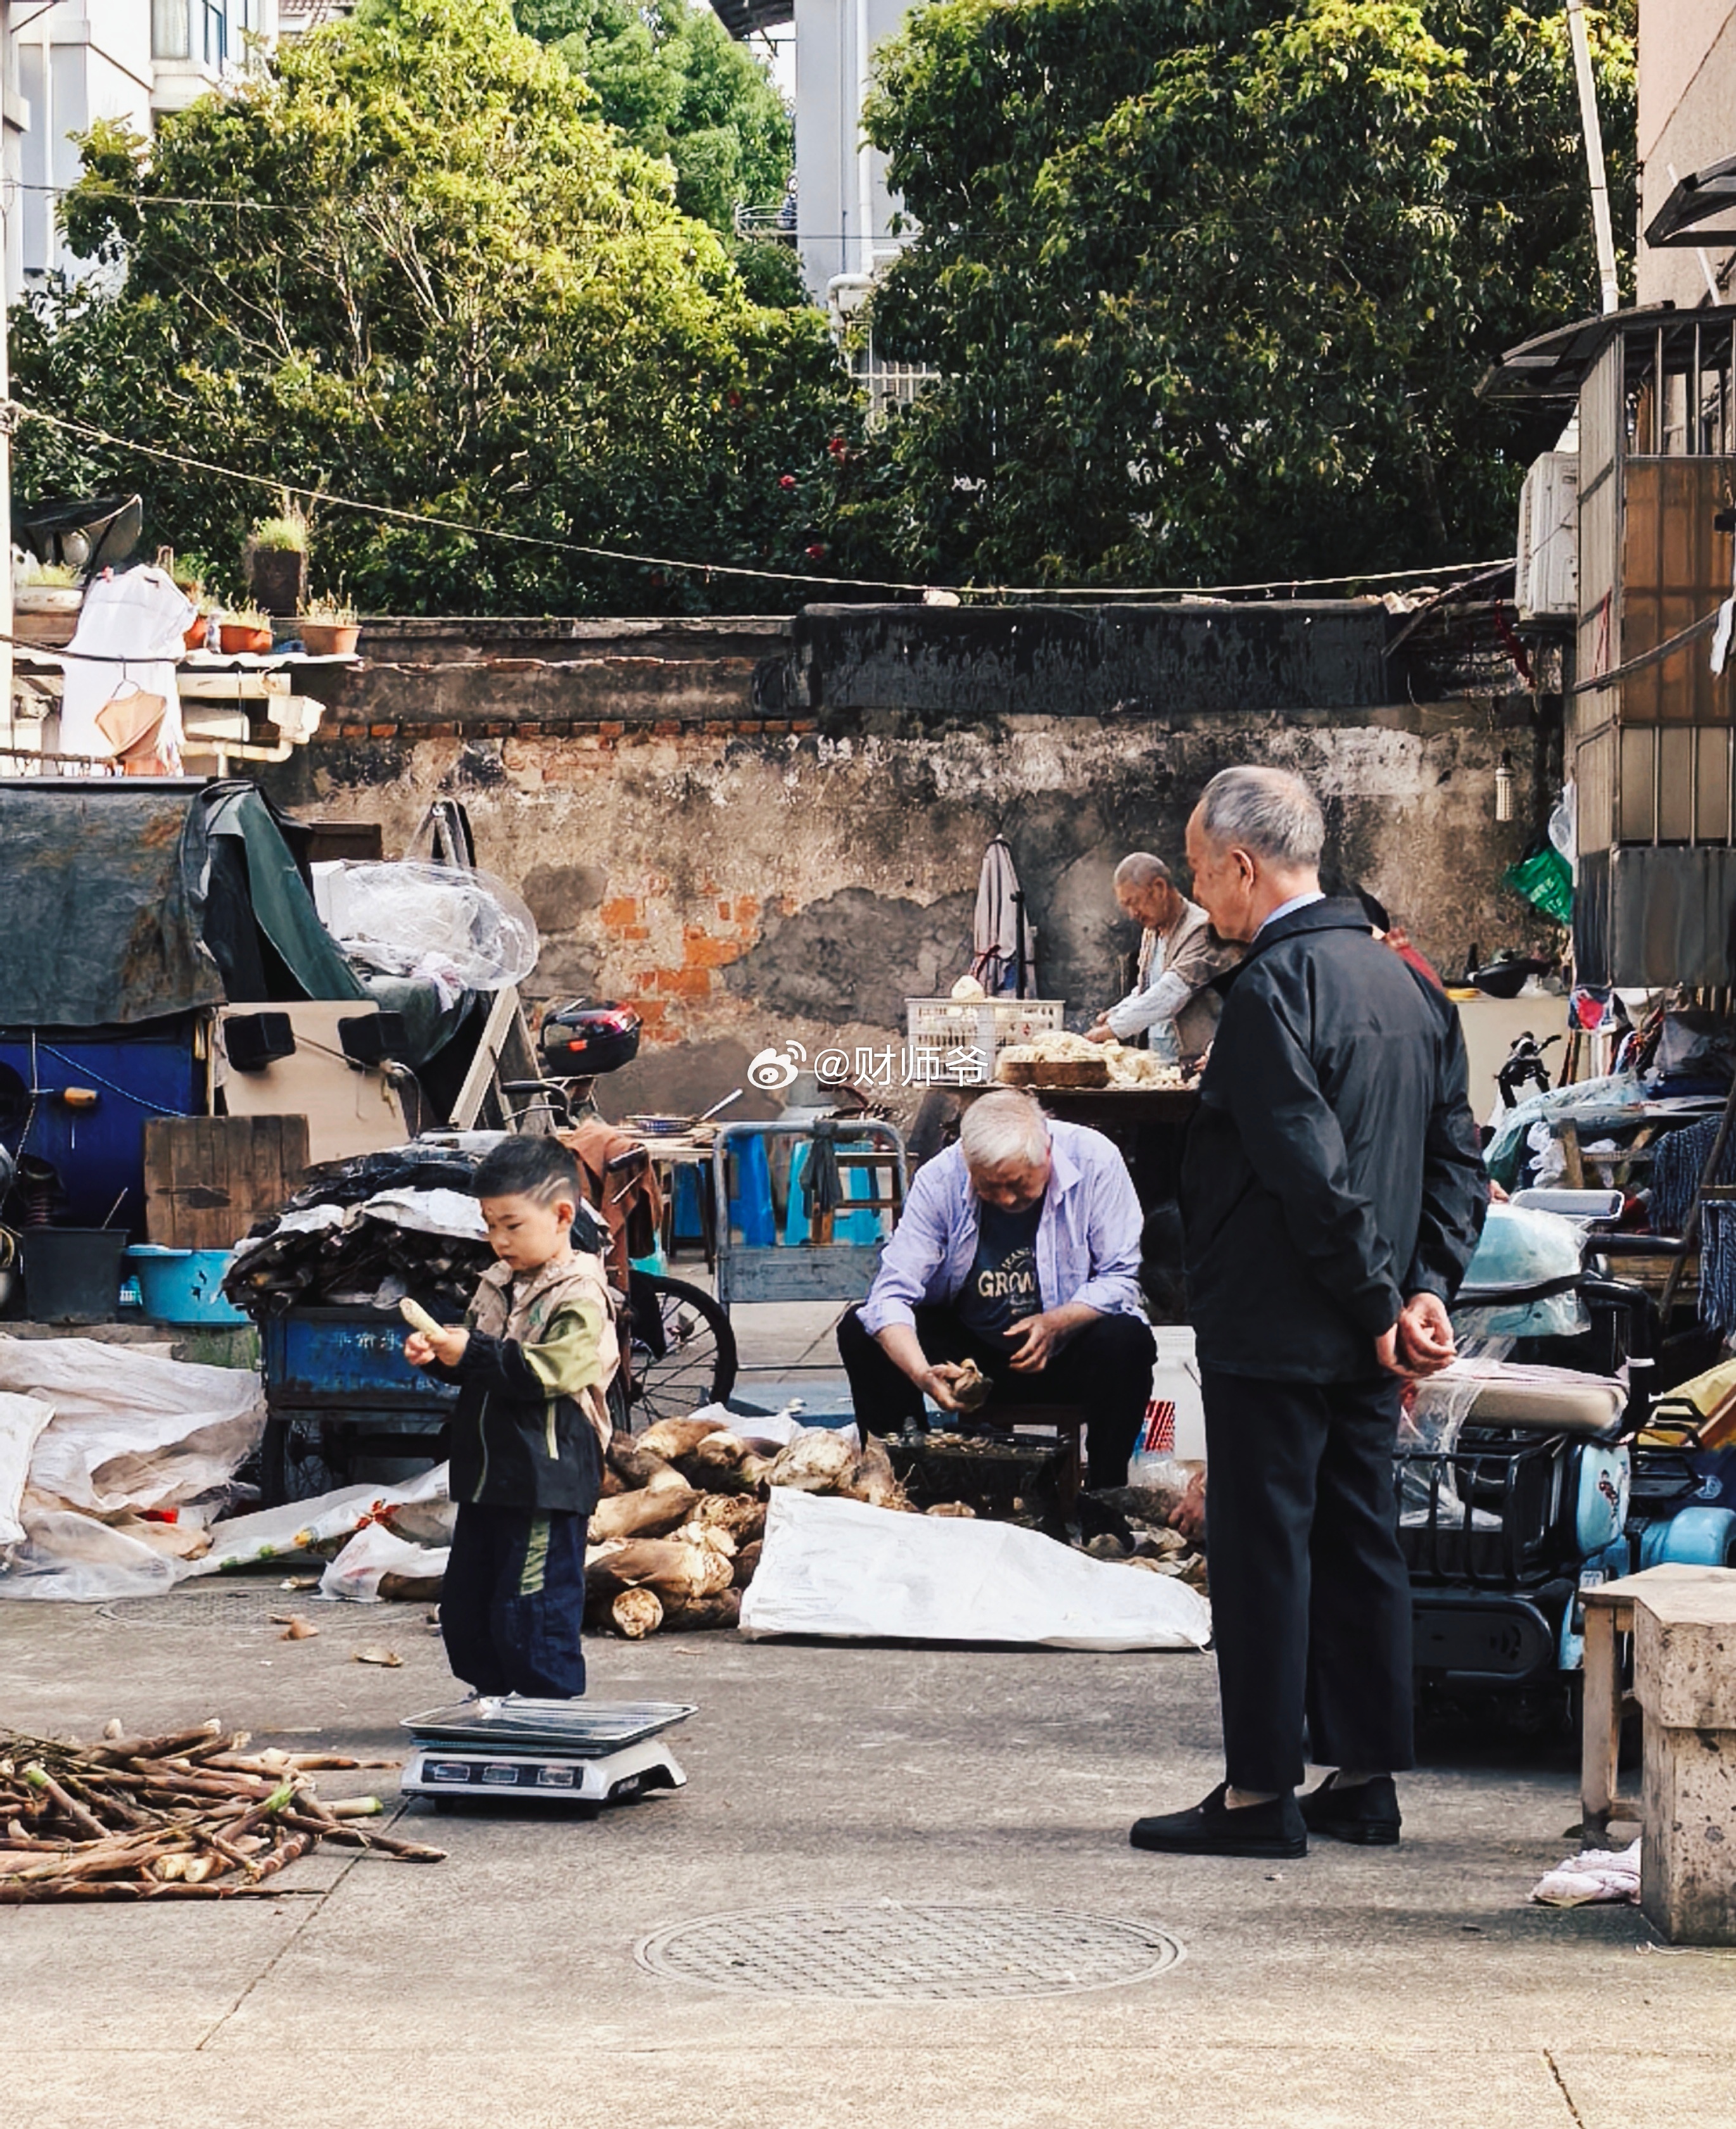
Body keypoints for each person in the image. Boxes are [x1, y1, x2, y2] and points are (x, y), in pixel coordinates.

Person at [1129, 766, 1485, 1861]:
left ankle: (1258, 1796)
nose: (1201, 897)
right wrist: (1423, 1291)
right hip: (1372, 1324)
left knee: (1265, 1551)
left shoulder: (1274, 989)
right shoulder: (1410, 983)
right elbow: (1456, 1160)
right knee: (1359, 1537)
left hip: (1281, 1321)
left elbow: (1304, 1165)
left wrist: (1384, 1298)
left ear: (1241, 866)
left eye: (1201, 874)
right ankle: (1364, 1781)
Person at [836, 1089, 1155, 1488]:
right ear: (968, 1164)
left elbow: (1123, 1276)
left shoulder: (1095, 1159)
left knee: (1127, 1340)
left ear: (1046, 1153)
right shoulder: (941, 1178)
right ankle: (910, 1483)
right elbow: (891, 1294)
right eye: (988, 1186)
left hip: (1063, 1351)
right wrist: (922, 1374)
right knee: (861, 1330)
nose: (1005, 1198)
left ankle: (1104, 1494)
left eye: (1018, 1184)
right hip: (971, 1354)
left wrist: (1058, 1323)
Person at [405, 1135, 619, 1699]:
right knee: (468, 1604)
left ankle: (547, 1709)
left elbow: (554, 1371)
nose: (499, 1240)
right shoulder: (499, 1282)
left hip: (545, 1477)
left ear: (562, 1216)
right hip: (488, 1476)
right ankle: (493, 1702)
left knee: (533, 1607)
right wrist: (443, 1355)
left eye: (512, 1225)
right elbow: (485, 1363)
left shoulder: (579, 1293)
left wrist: (471, 1353)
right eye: (489, 1225)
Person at [1086, 853, 1239, 1070]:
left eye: (1135, 902)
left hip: (1196, 1064)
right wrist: (1117, 1012)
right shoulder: (1152, 932)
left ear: (1159, 889)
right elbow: (1147, 989)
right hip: (1158, 1062)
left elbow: (1171, 992)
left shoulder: (1201, 929)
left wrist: (1114, 1028)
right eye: (1126, 906)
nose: (1132, 914)